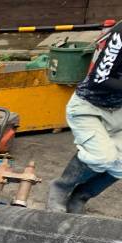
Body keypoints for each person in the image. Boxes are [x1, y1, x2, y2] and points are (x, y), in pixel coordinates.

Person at [48, 19, 121, 213]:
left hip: (119, 111)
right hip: (89, 106)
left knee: (120, 164)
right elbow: (100, 78)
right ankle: (61, 187)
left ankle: (80, 197)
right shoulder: (121, 34)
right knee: (102, 157)